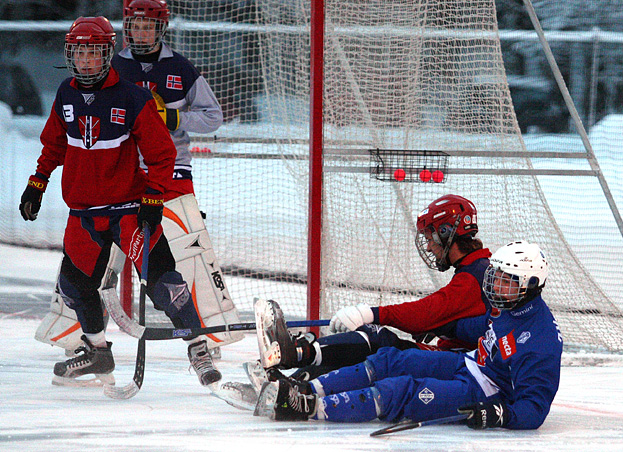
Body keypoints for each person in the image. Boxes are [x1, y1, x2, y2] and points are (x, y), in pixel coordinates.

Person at [35, 0, 243, 366]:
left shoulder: (170, 74)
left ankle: (203, 339)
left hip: (157, 184)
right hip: (95, 198)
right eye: (134, 24)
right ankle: (86, 343)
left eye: (148, 26)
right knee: (75, 276)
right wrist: (37, 182)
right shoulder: (79, 85)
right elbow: (55, 143)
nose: (85, 61)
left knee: (174, 268)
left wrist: (172, 122)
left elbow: (204, 124)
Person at [255, 241, 563, 430]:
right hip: (469, 364)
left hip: (486, 391)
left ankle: (309, 408)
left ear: (531, 284)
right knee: (390, 359)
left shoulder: (540, 342)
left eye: (505, 281)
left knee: (399, 390)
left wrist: (499, 415)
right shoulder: (510, 303)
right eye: (495, 277)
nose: (494, 286)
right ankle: (309, 387)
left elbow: (534, 409)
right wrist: (447, 327)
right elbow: (483, 328)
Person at [254, 194, 492, 382]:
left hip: (464, 362)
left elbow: (429, 310)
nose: (429, 248)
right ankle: (296, 377)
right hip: (463, 357)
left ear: (446, 233)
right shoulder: (476, 269)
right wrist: (445, 327)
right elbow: (451, 316)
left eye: (430, 238)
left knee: (377, 340)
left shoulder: (474, 275)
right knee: (370, 346)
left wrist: (373, 313)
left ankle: (293, 356)